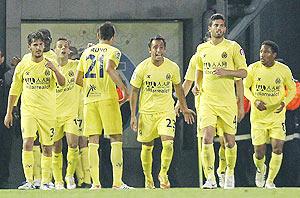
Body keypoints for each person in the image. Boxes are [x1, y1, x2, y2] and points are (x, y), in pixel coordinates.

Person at [130, 35, 195, 189]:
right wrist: (133, 115)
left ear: (164, 49)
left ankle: (163, 174)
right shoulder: (142, 68)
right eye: (155, 47)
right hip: (146, 113)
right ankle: (148, 178)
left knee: (168, 143)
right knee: (147, 147)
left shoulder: (172, 67)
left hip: (166, 112)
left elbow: (179, 88)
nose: (158, 50)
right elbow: (134, 92)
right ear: (149, 50)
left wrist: (184, 108)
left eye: (160, 47)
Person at [4, 31, 65, 190]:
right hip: (29, 111)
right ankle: (30, 181)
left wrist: (55, 70)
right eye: (35, 45)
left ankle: (45, 181)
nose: (38, 48)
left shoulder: (51, 61)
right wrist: (9, 112)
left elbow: (63, 83)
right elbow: (14, 90)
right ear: (29, 46)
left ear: (44, 46)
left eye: (40, 44)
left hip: (48, 111)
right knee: (28, 142)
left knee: (47, 146)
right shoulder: (23, 64)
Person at [75, 22, 132, 190]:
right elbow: (109, 68)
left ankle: (95, 183)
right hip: (107, 98)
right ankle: (117, 182)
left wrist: (91, 87)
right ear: (113, 37)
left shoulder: (86, 53)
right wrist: (124, 89)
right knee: (115, 138)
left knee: (93, 140)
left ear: (97, 36)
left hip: (89, 100)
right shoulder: (114, 51)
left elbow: (78, 80)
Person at [193, 13, 247, 189]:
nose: (219, 28)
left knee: (229, 140)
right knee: (207, 137)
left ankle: (228, 172)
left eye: (222, 26)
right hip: (207, 101)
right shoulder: (202, 49)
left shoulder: (233, 47)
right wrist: (196, 85)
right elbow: (199, 69)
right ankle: (210, 178)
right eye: (216, 25)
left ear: (225, 28)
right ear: (209, 28)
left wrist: (226, 72)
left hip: (227, 102)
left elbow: (243, 73)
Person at [244, 40, 296, 189]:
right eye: (261, 51)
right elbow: (245, 88)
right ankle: (260, 169)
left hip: (276, 116)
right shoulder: (253, 69)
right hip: (258, 118)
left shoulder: (283, 70)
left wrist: (284, 102)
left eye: (266, 52)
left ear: (274, 55)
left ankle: (270, 181)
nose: (262, 54)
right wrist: (254, 101)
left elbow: (292, 89)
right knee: (259, 153)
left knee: (277, 148)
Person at [51, 37, 81, 190]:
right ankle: (58, 180)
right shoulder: (50, 68)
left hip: (71, 114)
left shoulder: (76, 65)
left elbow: (89, 63)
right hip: (54, 114)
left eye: (66, 46)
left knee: (73, 144)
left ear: (69, 51)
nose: (63, 48)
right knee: (56, 148)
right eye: (60, 46)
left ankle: (69, 176)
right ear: (55, 50)